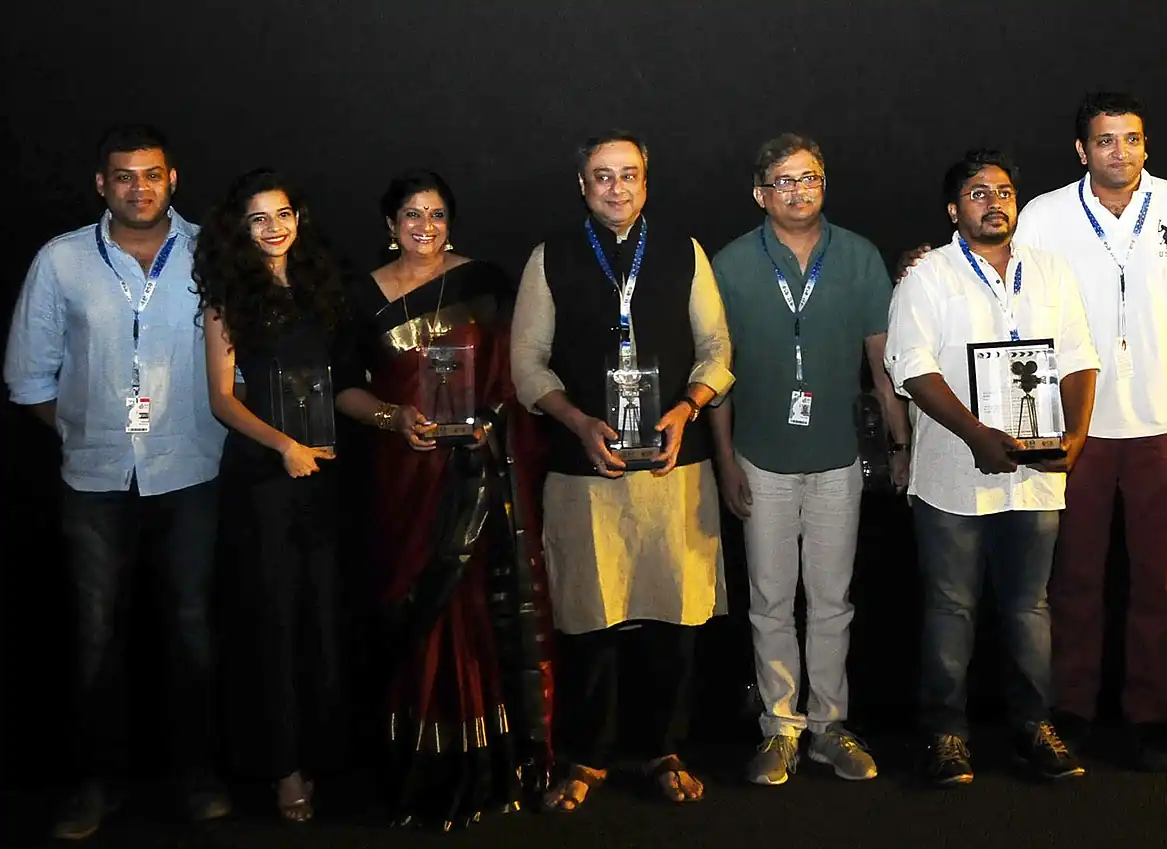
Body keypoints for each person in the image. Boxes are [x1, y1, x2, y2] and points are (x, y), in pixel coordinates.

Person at [4, 124, 231, 840]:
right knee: (96, 637)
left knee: (191, 630)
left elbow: (244, 368)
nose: (140, 188)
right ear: (101, 184)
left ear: (174, 179)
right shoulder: (61, 261)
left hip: (191, 472)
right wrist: (90, 429)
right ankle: (93, 785)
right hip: (95, 478)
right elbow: (29, 377)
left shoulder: (215, 256)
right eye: (124, 177)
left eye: (152, 175)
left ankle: (196, 775)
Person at [512, 131, 734, 810]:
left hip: (674, 463)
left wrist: (688, 408)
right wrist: (577, 421)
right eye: (602, 177)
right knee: (589, 619)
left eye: (628, 175)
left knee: (673, 620)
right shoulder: (550, 258)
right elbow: (526, 366)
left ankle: (664, 749)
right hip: (585, 468)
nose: (617, 188)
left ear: (647, 182)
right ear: (582, 186)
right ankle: (586, 755)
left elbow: (717, 346)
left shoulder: (683, 250)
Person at [1009, 92, 1167, 770]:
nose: (1120, 151)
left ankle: (1149, 714)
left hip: (1166, 424)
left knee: (1159, 581)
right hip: (1081, 430)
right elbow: (1010, 302)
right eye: (1105, 140)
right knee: (1073, 578)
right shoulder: (1042, 215)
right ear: (1082, 150)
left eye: (1131, 138)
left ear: (1145, 144)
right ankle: (1072, 708)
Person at [334, 169, 555, 827]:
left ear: (450, 221)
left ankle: (492, 766)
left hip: (477, 477)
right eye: (410, 215)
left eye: (434, 214)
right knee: (414, 604)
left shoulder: (484, 283)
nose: (423, 227)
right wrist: (392, 419)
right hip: (404, 479)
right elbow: (345, 386)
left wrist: (489, 424)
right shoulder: (361, 296)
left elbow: (517, 375)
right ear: (389, 225)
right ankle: (413, 770)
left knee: (477, 613)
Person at [887, 149, 1100, 786]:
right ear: (954, 210)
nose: (994, 202)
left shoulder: (1052, 271)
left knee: (1029, 607)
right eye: (978, 194)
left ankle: (1034, 725)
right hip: (955, 472)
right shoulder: (928, 277)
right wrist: (977, 435)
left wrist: (1078, 439)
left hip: (1039, 475)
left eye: (1003, 191)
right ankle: (945, 736)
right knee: (951, 609)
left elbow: (1080, 359)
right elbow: (910, 367)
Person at [708, 133, 907, 786]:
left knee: (831, 600)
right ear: (760, 193)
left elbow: (883, 364)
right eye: (785, 181)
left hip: (837, 458)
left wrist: (899, 445)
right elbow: (716, 372)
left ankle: (828, 724)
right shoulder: (730, 264)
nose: (800, 190)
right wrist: (726, 462)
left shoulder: (857, 255)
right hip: (760, 457)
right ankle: (780, 727)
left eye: (811, 177)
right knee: (768, 599)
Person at [193, 168, 355, 821]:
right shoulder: (226, 297)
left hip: (324, 475)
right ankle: (284, 769)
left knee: (324, 619)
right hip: (264, 481)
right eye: (258, 218)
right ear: (240, 228)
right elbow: (221, 399)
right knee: (275, 624)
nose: (273, 227)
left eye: (282, 213)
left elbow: (341, 380)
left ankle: (326, 757)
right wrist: (284, 446)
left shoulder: (321, 288)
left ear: (299, 217)